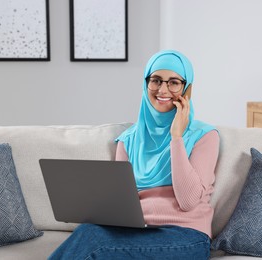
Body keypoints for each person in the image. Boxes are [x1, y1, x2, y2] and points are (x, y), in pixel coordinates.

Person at [48, 50, 220, 259]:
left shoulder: (205, 136)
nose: (162, 89)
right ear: (146, 83)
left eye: (174, 82)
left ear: (187, 89)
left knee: (96, 245)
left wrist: (176, 137)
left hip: (186, 236)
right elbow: (119, 204)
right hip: (136, 232)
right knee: (89, 231)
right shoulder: (128, 140)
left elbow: (188, 201)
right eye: (155, 80)